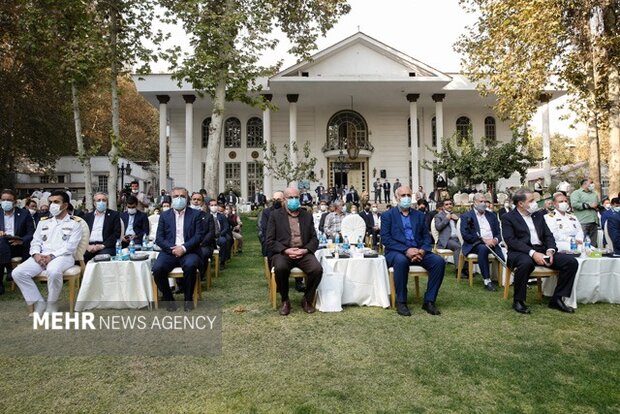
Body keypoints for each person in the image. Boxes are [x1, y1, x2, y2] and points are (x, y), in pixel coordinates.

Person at [501, 189, 578, 314]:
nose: (535, 203)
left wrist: (550, 251)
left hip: (542, 250)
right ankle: (518, 301)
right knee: (525, 263)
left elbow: (548, 235)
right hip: (520, 252)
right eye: (531, 200)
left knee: (571, 262)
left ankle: (557, 299)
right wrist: (533, 253)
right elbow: (511, 241)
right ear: (520, 203)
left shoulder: (538, 216)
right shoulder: (508, 218)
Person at [12, 190, 83, 314]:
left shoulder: (75, 223)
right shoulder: (43, 221)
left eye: (56, 202)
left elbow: (70, 247)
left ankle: (52, 304)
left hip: (63, 257)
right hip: (41, 256)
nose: (52, 205)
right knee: (18, 273)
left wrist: (51, 256)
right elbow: (35, 241)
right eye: (50, 202)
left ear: (65, 205)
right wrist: (36, 254)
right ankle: (39, 302)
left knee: (53, 271)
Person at [381, 186, 446, 316]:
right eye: (403, 195)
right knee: (401, 261)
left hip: (418, 250)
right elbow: (386, 239)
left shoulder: (419, 215)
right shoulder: (387, 215)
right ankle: (401, 302)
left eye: (408, 195)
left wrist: (422, 250)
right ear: (396, 198)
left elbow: (426, 237)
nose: (406, 198)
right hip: (397, 252)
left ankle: (429, 301)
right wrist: (406, 250)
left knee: (439, 262)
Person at [266, 187, 322, 315]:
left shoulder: (306, 215)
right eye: (291, 198)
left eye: (296, 197)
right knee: (280, 268)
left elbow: (314, 239)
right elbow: (270, 241)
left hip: (303, 252)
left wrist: (305, 250)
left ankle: (307, 299)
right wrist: (286, 250)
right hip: (284, 253)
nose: (294, 200)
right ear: (284, 200)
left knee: (317, 269)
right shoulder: (275, 216)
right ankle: (285, 300)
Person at [152, 187, 205, 311]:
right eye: (176, 196)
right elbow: (159, 238)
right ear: (171, 198)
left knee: (191, 265)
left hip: (189, 251)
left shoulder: (196, 214)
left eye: (182, 196)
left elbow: (198, 236)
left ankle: (188, 299)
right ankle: (169, 300)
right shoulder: (164, 216)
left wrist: (183, 248)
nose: (179, 199)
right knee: (157, 269)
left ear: (187, 198)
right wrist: (173, 250)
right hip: (169, 252)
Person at [460, 193, 505, 291]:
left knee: (507, 250)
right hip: (475, 244)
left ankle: (506, 278)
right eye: (481, 201)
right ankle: (487, 280)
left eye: (485, 201)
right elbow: (466, 235)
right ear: (475, 203)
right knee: (483, 248)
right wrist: (483, 241)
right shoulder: (466, 216)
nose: (484, 204)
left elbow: (499, 233)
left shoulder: (492, 215)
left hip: (493, 244)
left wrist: (495, 240)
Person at [0, 189, 35, 294]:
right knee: (1, 241)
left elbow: (31, 233)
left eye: (9, 200)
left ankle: (0, 284)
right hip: (2, 244)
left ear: (15, 202)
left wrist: (22, 241)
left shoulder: (24, 213)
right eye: (3, 199)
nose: (6, 202)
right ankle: (10, 269)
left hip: (17, 245)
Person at [83, 192, 121, 263]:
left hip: (105, 246)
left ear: (107, 202)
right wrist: (87, 246)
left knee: (101, 260)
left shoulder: (114, 215)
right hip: (89, 246)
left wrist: (102, 246)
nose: (101, 202)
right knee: (78, 257)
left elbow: (116, 234)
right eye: (99, 200)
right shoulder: (87, 217)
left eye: (104, 200)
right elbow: (82, 233)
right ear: (94, 203)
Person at [570, 178, 600, 247]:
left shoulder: (594, 194)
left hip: (594, 221)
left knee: (593, 244)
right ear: (585, 184)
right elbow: (574, 204)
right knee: (582, 243)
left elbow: (598, 204)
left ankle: (593, 256)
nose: (593, 184)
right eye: (591, 182)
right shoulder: (576, 193)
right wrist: (588, 205)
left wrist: (598, 206)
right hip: (583, 221)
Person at [434, 199, 462, 273]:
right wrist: (447, 219)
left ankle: (465, 269)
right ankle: (459, 270)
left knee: (466, 245)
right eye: (446, 204)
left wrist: (458, 219)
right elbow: (438, 227)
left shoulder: (457, 215)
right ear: (443, 207)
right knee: (458, 247)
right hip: (447, 240)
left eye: (450, 204)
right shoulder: (439, 216)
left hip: (458, 238)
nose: (449, 205)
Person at [208, 199, 231, 269]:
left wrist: (221, 234)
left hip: (220, 235)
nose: (213, 207)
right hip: (209, 237)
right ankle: (209, 260)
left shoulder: (221, 216)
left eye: (215, 205)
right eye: (212, 205)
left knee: (224, 241)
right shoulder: (206, 216)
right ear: (209, 206)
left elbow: (226, 227)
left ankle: (222, 262)